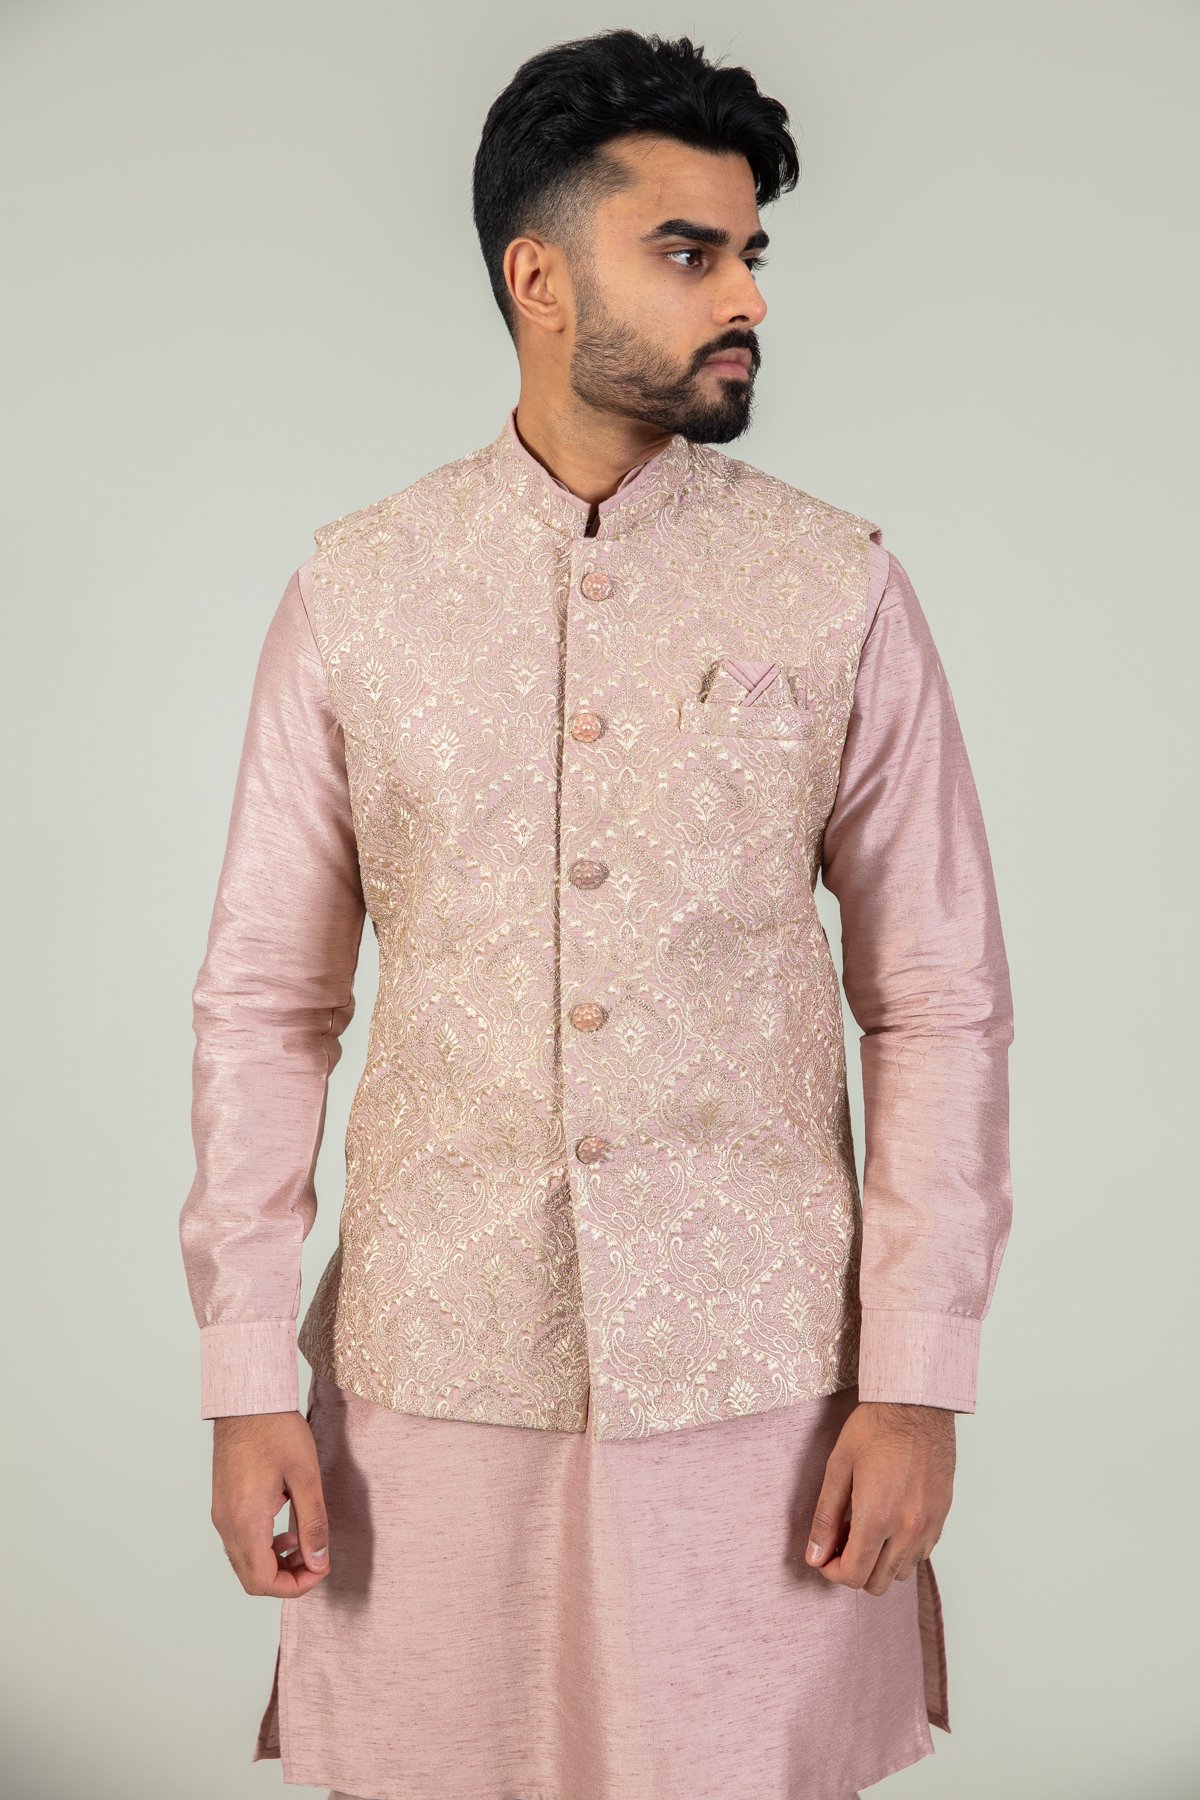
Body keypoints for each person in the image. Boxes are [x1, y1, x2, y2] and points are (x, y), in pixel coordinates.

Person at [179, 27, 1014, 1800]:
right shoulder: (359, 592)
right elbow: (265, 1001)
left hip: (766, 1382)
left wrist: (918, 1377)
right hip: (429, 1370)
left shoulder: (836, 584)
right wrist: (246, 1373)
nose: (749, 299)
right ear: (538, 277)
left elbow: (939, 995)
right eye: (689, 252)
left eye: (752, 253)